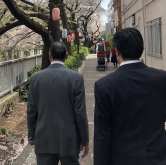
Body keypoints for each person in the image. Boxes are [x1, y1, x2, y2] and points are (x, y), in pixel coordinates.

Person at [94, 28, 166, 165]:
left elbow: (102, 135)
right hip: (157, 157)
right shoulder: (162, 79)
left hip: (121, 159)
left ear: (116, 51)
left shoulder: (105, 85)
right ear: (143, 49)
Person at [27, 41, 89, 165]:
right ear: (66, 55)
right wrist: (84, 139)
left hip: (44, 137)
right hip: (69, 138)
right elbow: (80, 112)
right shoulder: (76, 78)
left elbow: (31, 110)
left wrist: (32, 135)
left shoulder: (35, 78)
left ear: (49, 55)